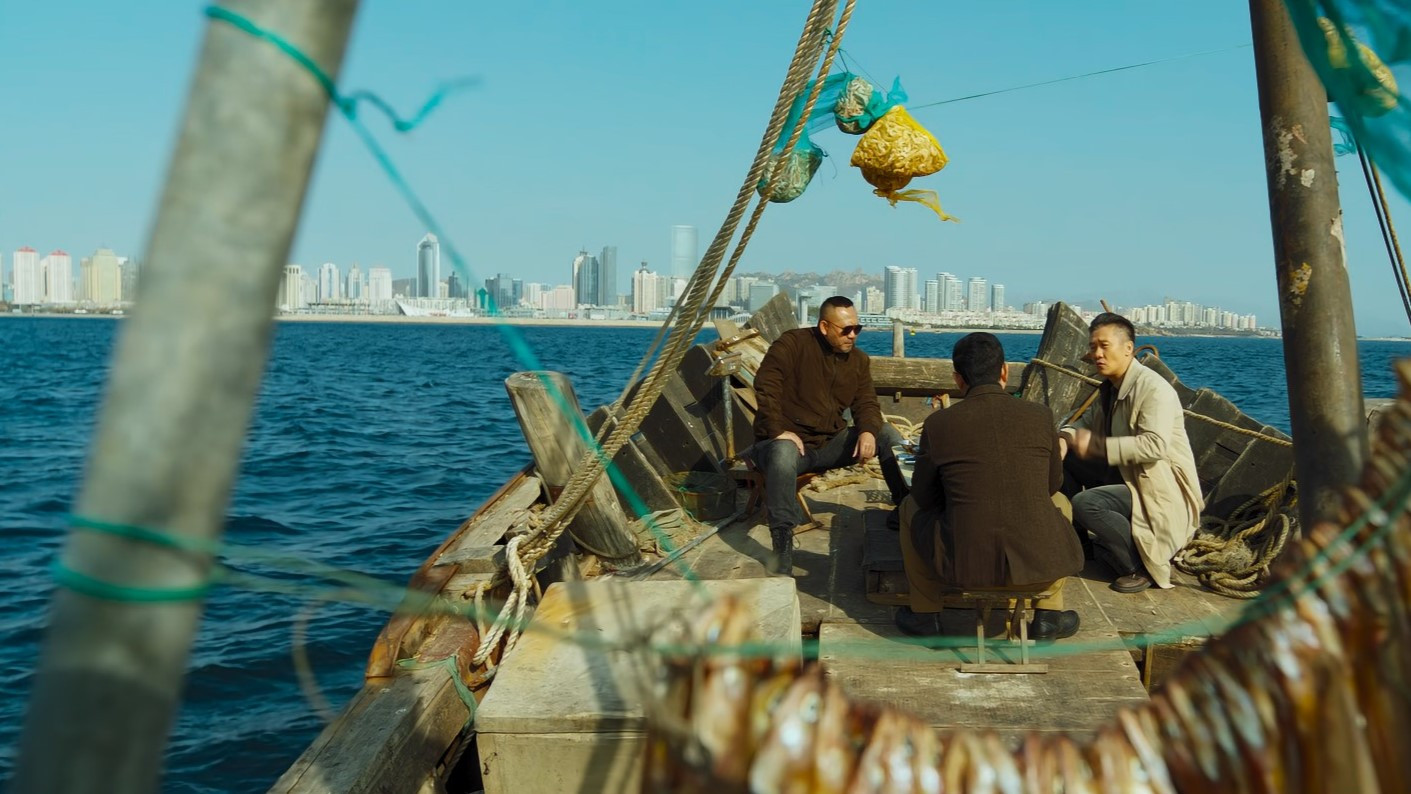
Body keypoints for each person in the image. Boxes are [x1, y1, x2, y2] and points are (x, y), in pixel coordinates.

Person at [895, 332, 1084, 640]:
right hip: (1036, 566)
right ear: (1004, 371)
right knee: (1061, 501)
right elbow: (1052, 484)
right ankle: (1049, 613)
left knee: (908, 507)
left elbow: (924, 496)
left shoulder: (939, 424)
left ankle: (925, 614)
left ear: (958, 379)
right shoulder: (1040, 416)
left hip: (962, 568)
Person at [751, 295, 909, 574]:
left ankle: (907, 509)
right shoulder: (792, 344)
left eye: (856, 329)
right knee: (783, 453)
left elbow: (866, 403)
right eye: (845, 330)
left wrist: (868, 432)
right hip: (785, 444)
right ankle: (783, 543)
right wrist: (778, 431)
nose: (852, 336)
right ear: (824, 327)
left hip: (828, 444)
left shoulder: (858, 361)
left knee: (888, 435)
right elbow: (766, 386)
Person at [1059, 313, 1202, 594]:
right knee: (1064, 460)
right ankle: (1081, 547)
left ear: (1128, 348)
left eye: (1104, 346)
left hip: (1159, 487)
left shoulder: (1153, 389)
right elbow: (1083, 425)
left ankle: (1139, 567)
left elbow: (1154, 446)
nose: (1097, 354)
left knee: (1087, 503)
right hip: (1128, 476)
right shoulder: (1112, 389)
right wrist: (1065, 438)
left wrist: (1099, 446)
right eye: (1093, 347)